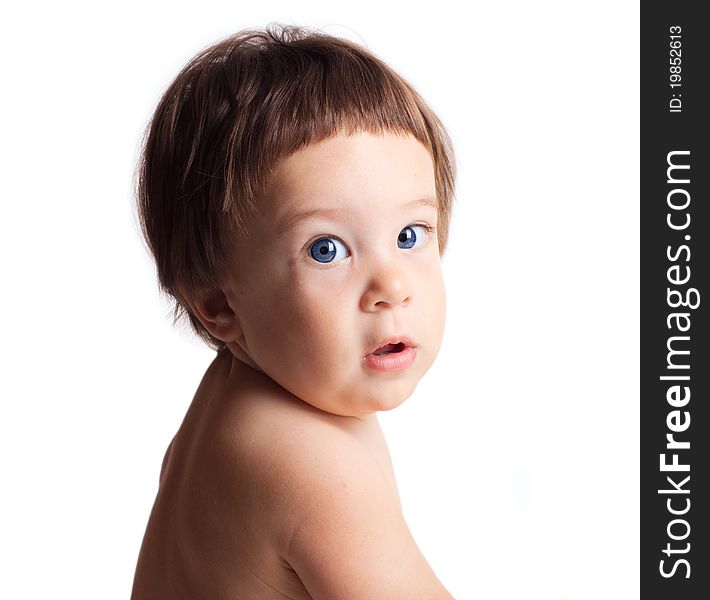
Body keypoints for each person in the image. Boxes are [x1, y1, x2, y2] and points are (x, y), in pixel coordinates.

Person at [131, 24, 456, 599]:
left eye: (410, 234)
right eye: (326, 249)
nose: (392, 285)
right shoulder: (313, 465)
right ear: (217, 304)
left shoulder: (228, 410)